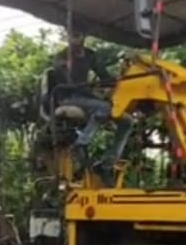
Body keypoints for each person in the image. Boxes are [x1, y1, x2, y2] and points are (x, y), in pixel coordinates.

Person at [51, 30, 134, 183]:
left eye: (78, 34)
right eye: (72, 35)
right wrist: (95, 94)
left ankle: (106, 164)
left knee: (127, 121)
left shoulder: (90, 55)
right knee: (104, 108)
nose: (74, 39)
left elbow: (105, 76)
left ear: (84, 36)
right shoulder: (61, 57)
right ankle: (81, 143)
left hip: (87, 98)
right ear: (67, 36)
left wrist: (122, 79)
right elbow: (69, 83)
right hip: (69, 97)